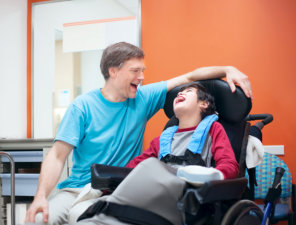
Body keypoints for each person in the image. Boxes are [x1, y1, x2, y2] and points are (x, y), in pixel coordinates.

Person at [25, 42, 252, 225]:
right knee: (36, 220)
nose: (142, 77)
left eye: (142, 71)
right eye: (135, 71)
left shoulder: (144, 98)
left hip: (118, 187)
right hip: (78, 188)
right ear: (113, 71)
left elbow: (192, 76)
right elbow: (56, 156)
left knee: (82, 218)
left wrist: (227, 69)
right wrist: (41, 196)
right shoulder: (82, 106)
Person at [74, 83, 239, 225]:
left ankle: (104, 213)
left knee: (151, 166)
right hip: (154, 197)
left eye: (188, 91)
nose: (181, 93)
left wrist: (206, 176)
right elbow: (135, 167)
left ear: (203, 104)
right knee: (142, 170)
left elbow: (230, 166)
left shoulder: (213, 130)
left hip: (186, 201)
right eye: (180, 92)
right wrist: (108, 183)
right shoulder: (162, 140)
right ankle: (103, 211)